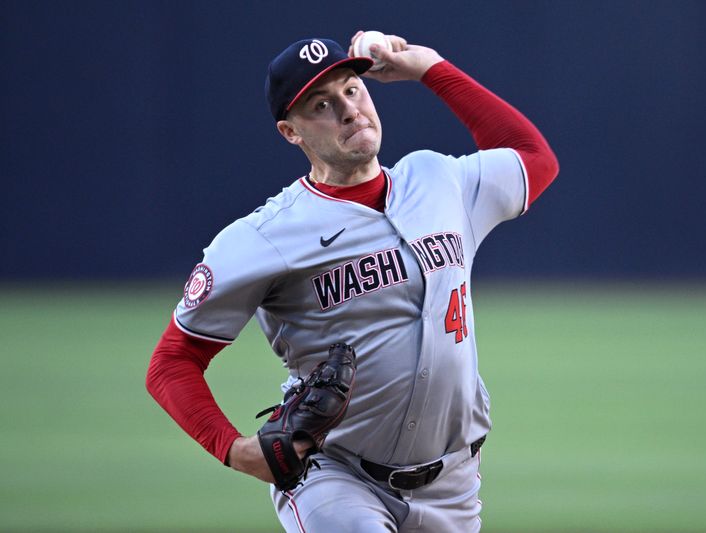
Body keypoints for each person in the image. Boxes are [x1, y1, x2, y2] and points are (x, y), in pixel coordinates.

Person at [146, 31, 558, 532]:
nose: (348, 110)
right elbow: (172, 362)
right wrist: (233, 449)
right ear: (290, 132)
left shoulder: (438, 181)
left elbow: (533, 157)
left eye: (352, 90)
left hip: (456, 485)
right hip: (335, 478)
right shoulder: (264, 237)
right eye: (321, 104)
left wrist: (430, 68)